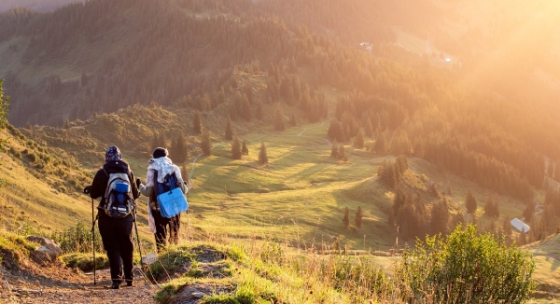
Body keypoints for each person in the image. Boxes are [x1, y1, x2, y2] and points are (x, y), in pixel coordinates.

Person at [85, 146, 140, 289]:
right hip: (126, 217)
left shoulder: (102, 173)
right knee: (127, 245)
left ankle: (116, 279)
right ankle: (129, 278)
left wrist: (91, 189)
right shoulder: (129, 172)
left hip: (106, 215)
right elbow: (135, 194)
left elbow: (94, 194)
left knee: (112, 247)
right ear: (120, 157)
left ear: (106, 158)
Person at [138, 147, 187, 251]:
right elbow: (183, 190)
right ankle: (175, 258)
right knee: (174, 236)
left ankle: (162, 259)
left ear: (154, 157)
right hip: (175, 207)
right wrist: (184, 185)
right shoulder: (174, 168)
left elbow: (148, 192)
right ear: (166, 156)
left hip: (158, 208)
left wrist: (139, 185)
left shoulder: (152, 169)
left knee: (160, 237)